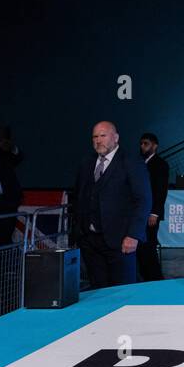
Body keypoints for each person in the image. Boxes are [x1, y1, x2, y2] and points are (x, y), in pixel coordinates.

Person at [71, 120, 151, 290]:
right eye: (95, 137)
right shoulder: (87, 162)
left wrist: (133, 235)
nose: (98, 140)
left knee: (122, 293)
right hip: (90, 243)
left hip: (121, 242)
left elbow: (143, 200)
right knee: (98, 292)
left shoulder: (131, 161)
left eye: (103, 135)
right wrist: (79, 232)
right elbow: (79, 196)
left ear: (115, 138)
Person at [136, 132, 169, 282]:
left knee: (148, 246)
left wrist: (154, 213)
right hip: (139, 212)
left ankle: (155, 278)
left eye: (146, 143)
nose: (143, 146)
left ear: (155, 146)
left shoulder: (160, 165)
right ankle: (145, 276)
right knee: (141, 247)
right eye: (141, 143)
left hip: (150, 214)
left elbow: (160, 191)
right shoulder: (139, 163)